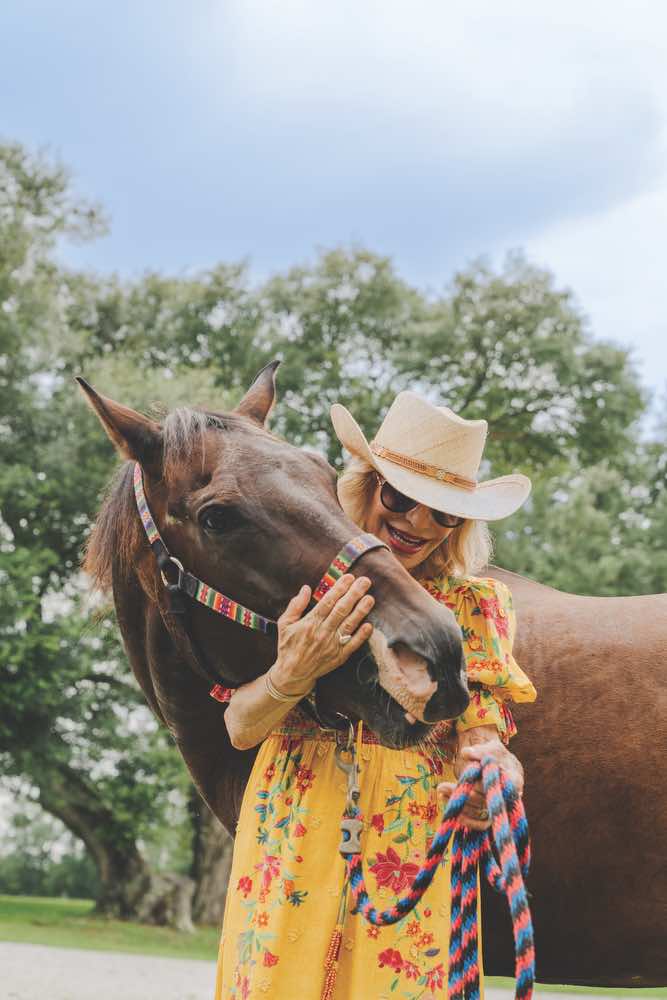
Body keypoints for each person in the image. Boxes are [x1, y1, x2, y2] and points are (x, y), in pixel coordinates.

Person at [215, 391, 537, 999]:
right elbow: (239, 726)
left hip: (407, 835)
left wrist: (492, 786)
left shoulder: (473, 608)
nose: (418, 524)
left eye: (443, 514)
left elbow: (485, 741)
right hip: (296, 818)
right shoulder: (295, 582)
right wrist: (292, 672)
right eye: (401, 498)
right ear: (364, 484)